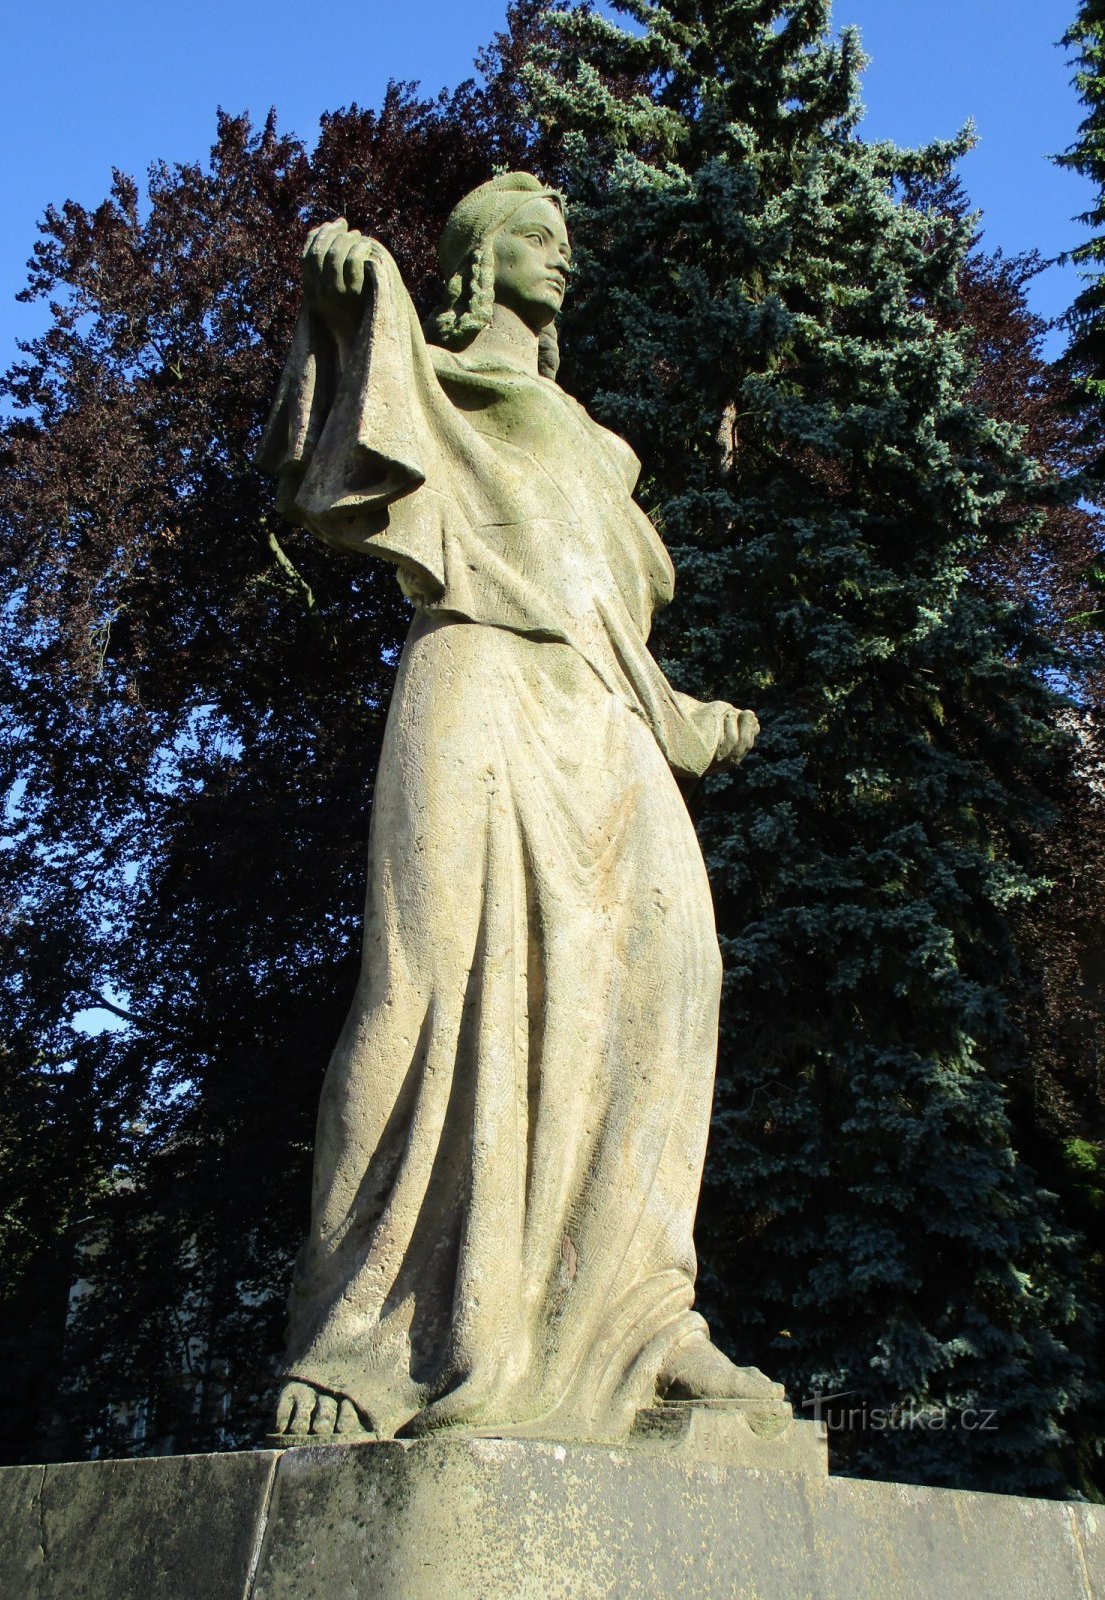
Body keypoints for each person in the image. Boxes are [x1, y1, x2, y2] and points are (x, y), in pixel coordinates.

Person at [257, 173, 781, 1443]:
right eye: (538, 239)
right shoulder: (436, 380)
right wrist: (339, 286)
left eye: (568, 239)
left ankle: (648, 1320)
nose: (565, 260)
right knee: (428, 990)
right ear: (482, 261)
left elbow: (602, 595)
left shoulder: (594, 443)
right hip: (478, 675)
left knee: (662, 987)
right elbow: (321, 457)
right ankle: (363, 1334)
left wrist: (677, 715)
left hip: (601, 713)